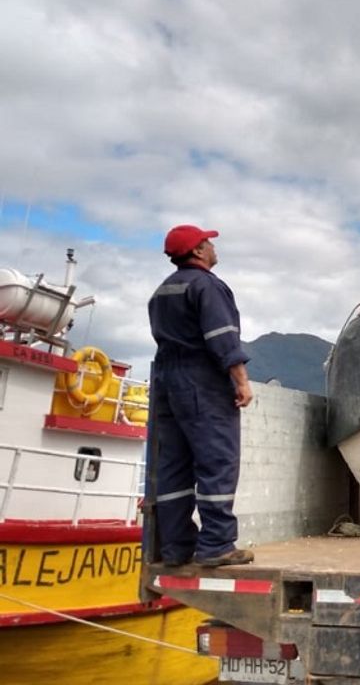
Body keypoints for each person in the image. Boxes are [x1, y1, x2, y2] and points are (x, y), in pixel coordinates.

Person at [148, 224, 254, 568]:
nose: (212, 247)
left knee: (174, 466)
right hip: (202, 382)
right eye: (207, 242)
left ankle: (176, 548)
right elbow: (222, 337)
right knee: (217, 461)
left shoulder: (161, 292)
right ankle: (217, 545)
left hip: (166, 382)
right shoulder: (207, 286)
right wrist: (241, 380)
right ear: (197, 251)